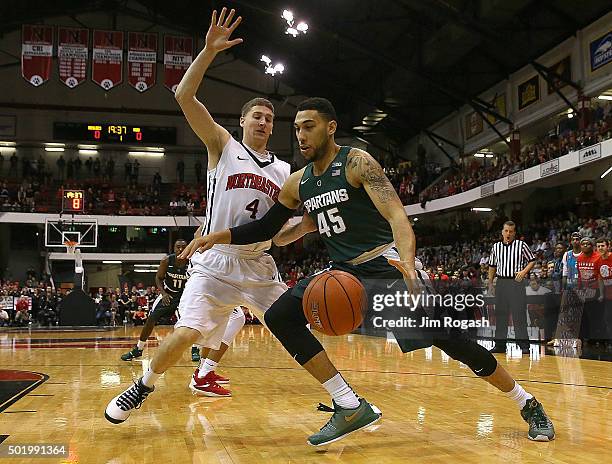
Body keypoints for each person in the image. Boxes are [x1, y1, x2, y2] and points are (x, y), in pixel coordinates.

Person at [182, 97, 555, 444]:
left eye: (308, 126)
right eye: (296, 128)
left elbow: (396, 213)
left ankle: (527, 402)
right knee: (280, 315)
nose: (300, 135)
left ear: (330, 128)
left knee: (451, 342)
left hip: (384, 266)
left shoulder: (357, 162)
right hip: (342, 272)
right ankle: (347, 404)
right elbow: (269, 233)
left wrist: (408, 263)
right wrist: (219, 236)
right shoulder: (299, 181)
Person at [105, 7, 290, 423]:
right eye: (256, 116)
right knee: (188, 332)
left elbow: (281, 233)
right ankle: (142, 385)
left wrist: (311, 223)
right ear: (242, 121)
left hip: (259, 263)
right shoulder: (223, 145)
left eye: (269, 118)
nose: (263, 122)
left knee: (295, 326)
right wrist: (207, 52)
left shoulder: (283, 172)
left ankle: (343, 398)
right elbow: (184, 96)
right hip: (215, 261)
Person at [487, 221, 536, 354]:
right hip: (501, 283)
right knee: (501, 315)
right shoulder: (496, 247)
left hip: (516, 283)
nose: (508, 233)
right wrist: (490, 283)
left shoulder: (521, 245)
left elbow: (532, 260)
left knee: (518, 314)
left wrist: (523, 272)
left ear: (514, 233)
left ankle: (524, 345)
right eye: (506, 231)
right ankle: (500, 345)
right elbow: (492, 265)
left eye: (511, 231)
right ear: (502, 232)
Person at [594, 237, 612, 347]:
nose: (600, 248)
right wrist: (601, 294)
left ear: (608, 246)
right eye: (599, 246)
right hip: (608, 296)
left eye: (603, 245)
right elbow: (600, 279)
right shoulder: (597, 262)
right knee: (607, 318)